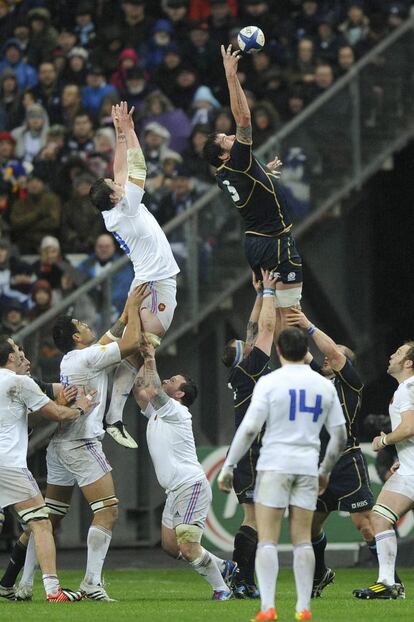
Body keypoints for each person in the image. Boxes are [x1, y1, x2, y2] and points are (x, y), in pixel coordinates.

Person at [20, 284, 147, 602]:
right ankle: (92, 582)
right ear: (77, 337)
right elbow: (130, 343)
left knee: (48, 519)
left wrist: (123, 314)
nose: (89, 326)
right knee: (108, 511)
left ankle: (23, 583)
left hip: (59, 445)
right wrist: (132, 305)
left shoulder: (72, 360)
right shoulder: (87, 358)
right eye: (83, 325)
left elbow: (109, 338)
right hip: (82, 443)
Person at [218, 327, 347, 621]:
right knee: (302, 539)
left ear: (278, 351)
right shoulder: (323, 385)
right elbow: (339, 435)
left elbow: (249, 429)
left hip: (274, 465)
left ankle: (268, 608)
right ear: (305, 351)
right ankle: (303, 607)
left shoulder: (270, 382)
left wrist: (228, 466)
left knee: (268, 540)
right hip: (306, 465)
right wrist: (325, 469)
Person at [89, 101, 179, 448]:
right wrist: (130, 130)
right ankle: (120, 410)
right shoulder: (126, 205)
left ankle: (113, 415)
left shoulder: (112, 211)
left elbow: (122, 166)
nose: (117, 181)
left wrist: (117, 131)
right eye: (114, 184)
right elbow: (138, 164)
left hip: (146, 280)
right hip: (155, 283)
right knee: (142, 347)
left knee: (135, 350)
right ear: (114, 195)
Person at [285, 308, 392, 597]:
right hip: (317, 464)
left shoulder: (351, 383)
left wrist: (308, 324)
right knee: (309, 528)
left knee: (366, 525)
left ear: (345, 363)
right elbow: (298, 353)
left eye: (334, 354)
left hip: (346, 460)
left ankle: (390, 580)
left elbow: (326, 348)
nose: (327, 357)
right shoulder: (319, 380)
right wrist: (283, 312)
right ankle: (320, 574)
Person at [133, 335, 238, 601]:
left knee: (188, 546)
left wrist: (150, 357)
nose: (167, 380)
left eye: (174, 381)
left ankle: (221, 588)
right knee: (171, 546)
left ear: (179, 394)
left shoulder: (178, 412)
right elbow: (139, 391)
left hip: (189, 485)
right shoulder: (158, 412)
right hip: (174, 490)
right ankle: (225, 567)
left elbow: (154, 391)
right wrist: (135, 356)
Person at [203, 45, 303, 318]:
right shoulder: (237, 162)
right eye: (227, 140)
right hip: (275, 241)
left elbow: (248, 186)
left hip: (254, 242)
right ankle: (295, 358)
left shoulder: (225, 174)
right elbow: (244, 118)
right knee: (291, 314)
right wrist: (231, 75)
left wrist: (263, 172)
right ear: (224, 155)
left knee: (273, 308)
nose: (232, 138)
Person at [0, 334, 96, 602]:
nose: (24, 357)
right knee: (41, 522)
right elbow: (56, 413)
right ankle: (53, 590)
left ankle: (9, 584)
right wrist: (80, 408)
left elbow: (23, 418)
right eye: (19, 352)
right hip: (8, 464)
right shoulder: (19, 382)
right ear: (10, 357)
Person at [222, 269, 278, 598]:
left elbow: (253, 328)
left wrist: (258, 294)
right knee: (256, 518)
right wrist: (270, 290)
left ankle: (242, 576)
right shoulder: (251, 367)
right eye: (245, 344)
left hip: (247, 453)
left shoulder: (242, 368)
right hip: (255, 453)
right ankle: (242, 578)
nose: (248, 339)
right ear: (246, 353)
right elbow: (267, 328)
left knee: (252, 516)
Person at [353, 341, 414, 600]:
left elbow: (410, 427)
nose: (392, 354)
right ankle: (388, 583)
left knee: (379, 518)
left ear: (409, 363)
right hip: (408, 468)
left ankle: (389, 583)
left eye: (399, 353)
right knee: (379, 518)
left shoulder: (407, 388)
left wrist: (384, 441)